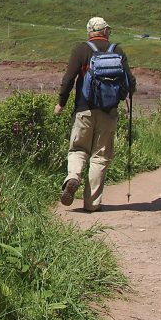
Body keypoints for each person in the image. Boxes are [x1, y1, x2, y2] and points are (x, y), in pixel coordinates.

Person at [53, 16, 136, 211]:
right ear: (105, 31)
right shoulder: (117, 50)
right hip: (109, 112)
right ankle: (91, 204)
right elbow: (130, 83)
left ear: (89, 31)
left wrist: (61, 103)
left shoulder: (81, 49)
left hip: (84, 110)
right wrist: (120, 96)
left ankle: (73, 177)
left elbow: (68, 79)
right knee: (100, 156)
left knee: (78, 149)